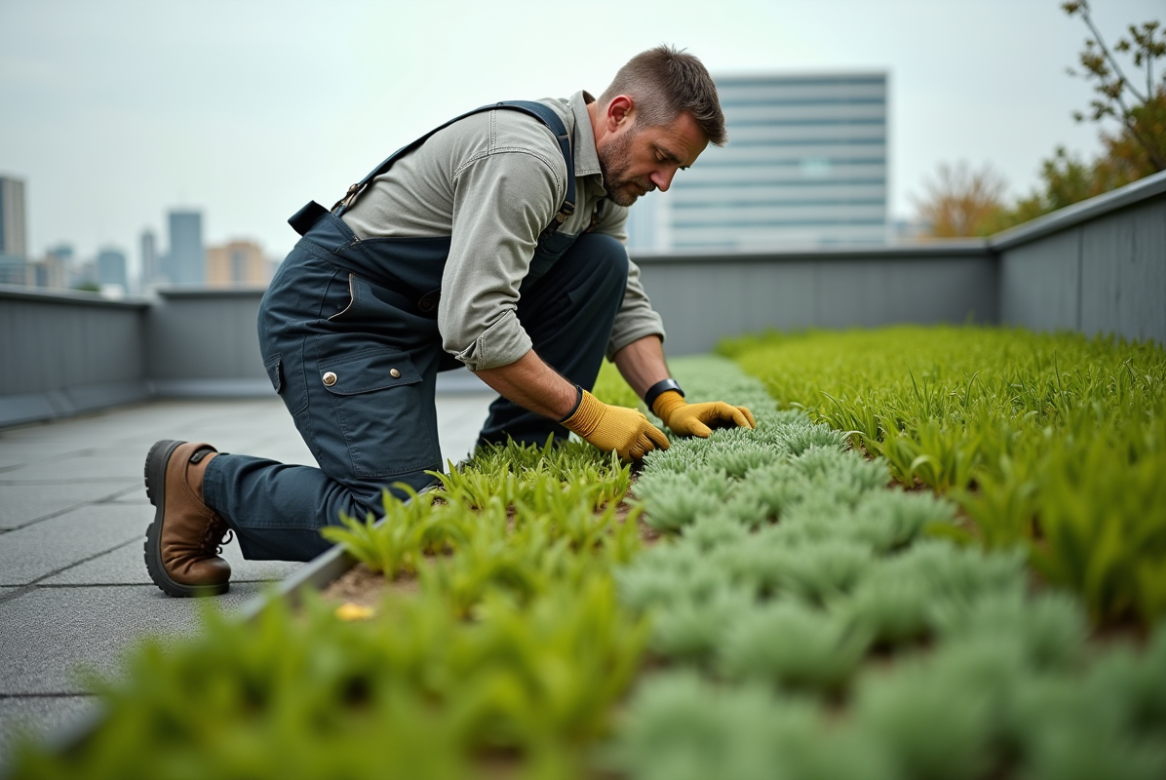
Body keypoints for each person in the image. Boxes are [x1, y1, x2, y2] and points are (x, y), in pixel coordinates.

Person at [142, 45, 756, 597]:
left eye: (679, 169)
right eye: (662, 158)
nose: (664, 182)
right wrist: (590, 416)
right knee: (405, 516)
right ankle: (204, 482)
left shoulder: (601, 181)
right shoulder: (526, 159)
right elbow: (477, 326)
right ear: (619, 113)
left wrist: (667, 400)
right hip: (335, 316)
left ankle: (519, 453)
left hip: (415, 319)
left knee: (602, 261)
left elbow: (620, 297)